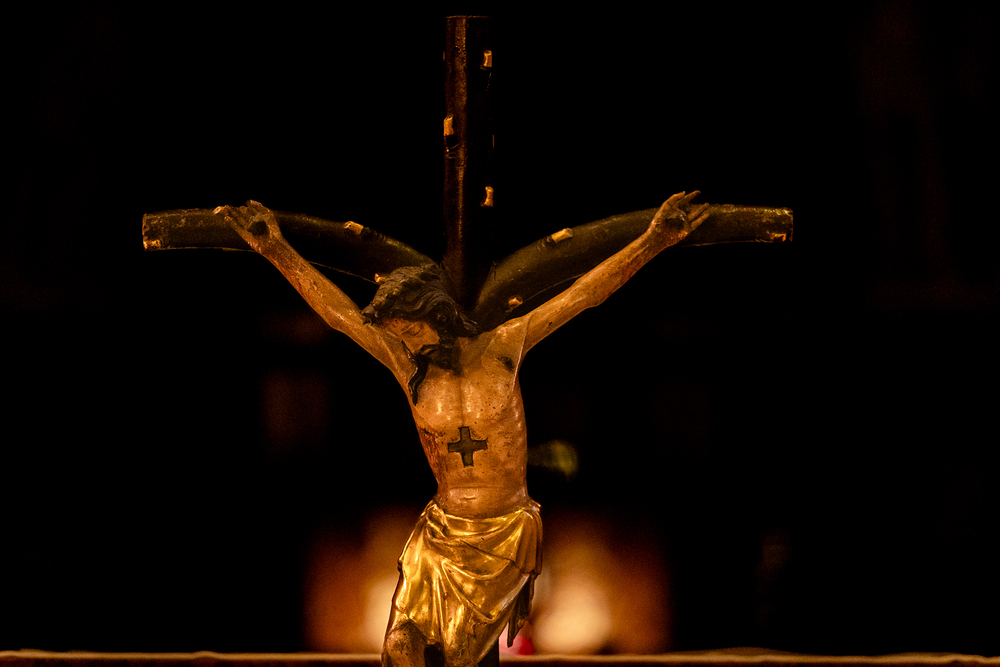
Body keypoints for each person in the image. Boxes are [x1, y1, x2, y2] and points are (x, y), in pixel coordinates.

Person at [215, 191, 709, 667]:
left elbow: (585, 295)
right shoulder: (407, 364)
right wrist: (275, 249)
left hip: (504, 530)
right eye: (399, 336)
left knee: (456, 656)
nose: (408, 343)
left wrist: (654, 240)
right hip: (441, 530)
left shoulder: (504, 347)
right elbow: (339, 316)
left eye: (412, 330)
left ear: (438, 315)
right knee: (402, 646)